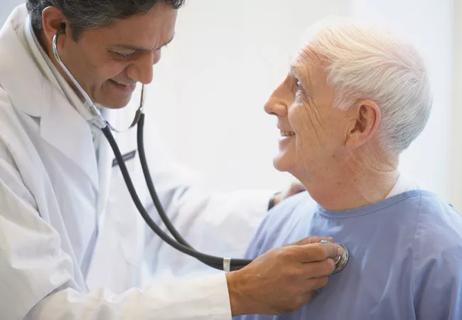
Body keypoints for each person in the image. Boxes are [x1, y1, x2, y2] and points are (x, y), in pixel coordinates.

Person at [0, 1, 344, 319]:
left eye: (159, 50)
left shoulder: (90, 84)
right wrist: (236, 293)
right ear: (57, 25)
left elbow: (164, 214)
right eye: (124, 52)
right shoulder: (8, 127)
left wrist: (275, 211)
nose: (146, 75)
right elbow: (42, 310)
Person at [236, 22, 462, 320]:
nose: (271, 104)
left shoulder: (442, 253)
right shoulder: (277, 223)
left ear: (359, 123)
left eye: (299, 86)